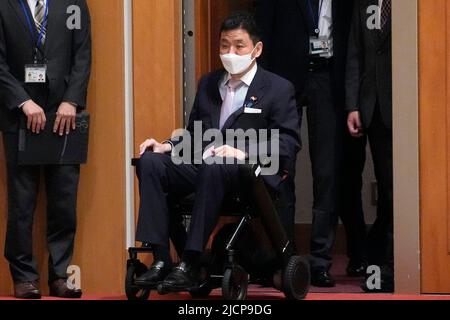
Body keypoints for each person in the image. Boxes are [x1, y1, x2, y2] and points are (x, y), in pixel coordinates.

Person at [134, 12, 300, 291]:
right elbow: (195, 134)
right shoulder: (209, 83)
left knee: (215, 164)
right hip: (207, 167)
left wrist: (242, 151)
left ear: (256, 50)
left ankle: (191, 261)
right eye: (224, 46)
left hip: (249, 174)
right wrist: (168, 146)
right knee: (151, 162)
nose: (230, 53)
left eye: (239, 46)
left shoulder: (278, 88)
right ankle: (161, 260)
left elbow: (288, 143)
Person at [256, 0, 367, 287]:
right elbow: (263, 32)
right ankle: (286, 256)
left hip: (329, 79)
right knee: (282, 169)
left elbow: (354, 37)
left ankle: (320, 260)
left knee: (327, 173)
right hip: (284, 79)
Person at [0, 0, 91, 298]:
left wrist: (72, 100)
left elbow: (82, 54)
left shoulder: (73, 4)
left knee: (64, 201)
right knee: (22, 203)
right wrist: (23, 101)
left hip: (63, 115)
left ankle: (60, 275)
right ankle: (24, 276)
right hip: (19, 115)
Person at [346, 0, 393, 292]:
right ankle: (383, 264)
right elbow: (355, 55)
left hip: (415, 102)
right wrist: (352, 105)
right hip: (374, 109)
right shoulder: (363, 3)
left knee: (401, 191)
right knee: (388, 187)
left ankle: (388, 261)